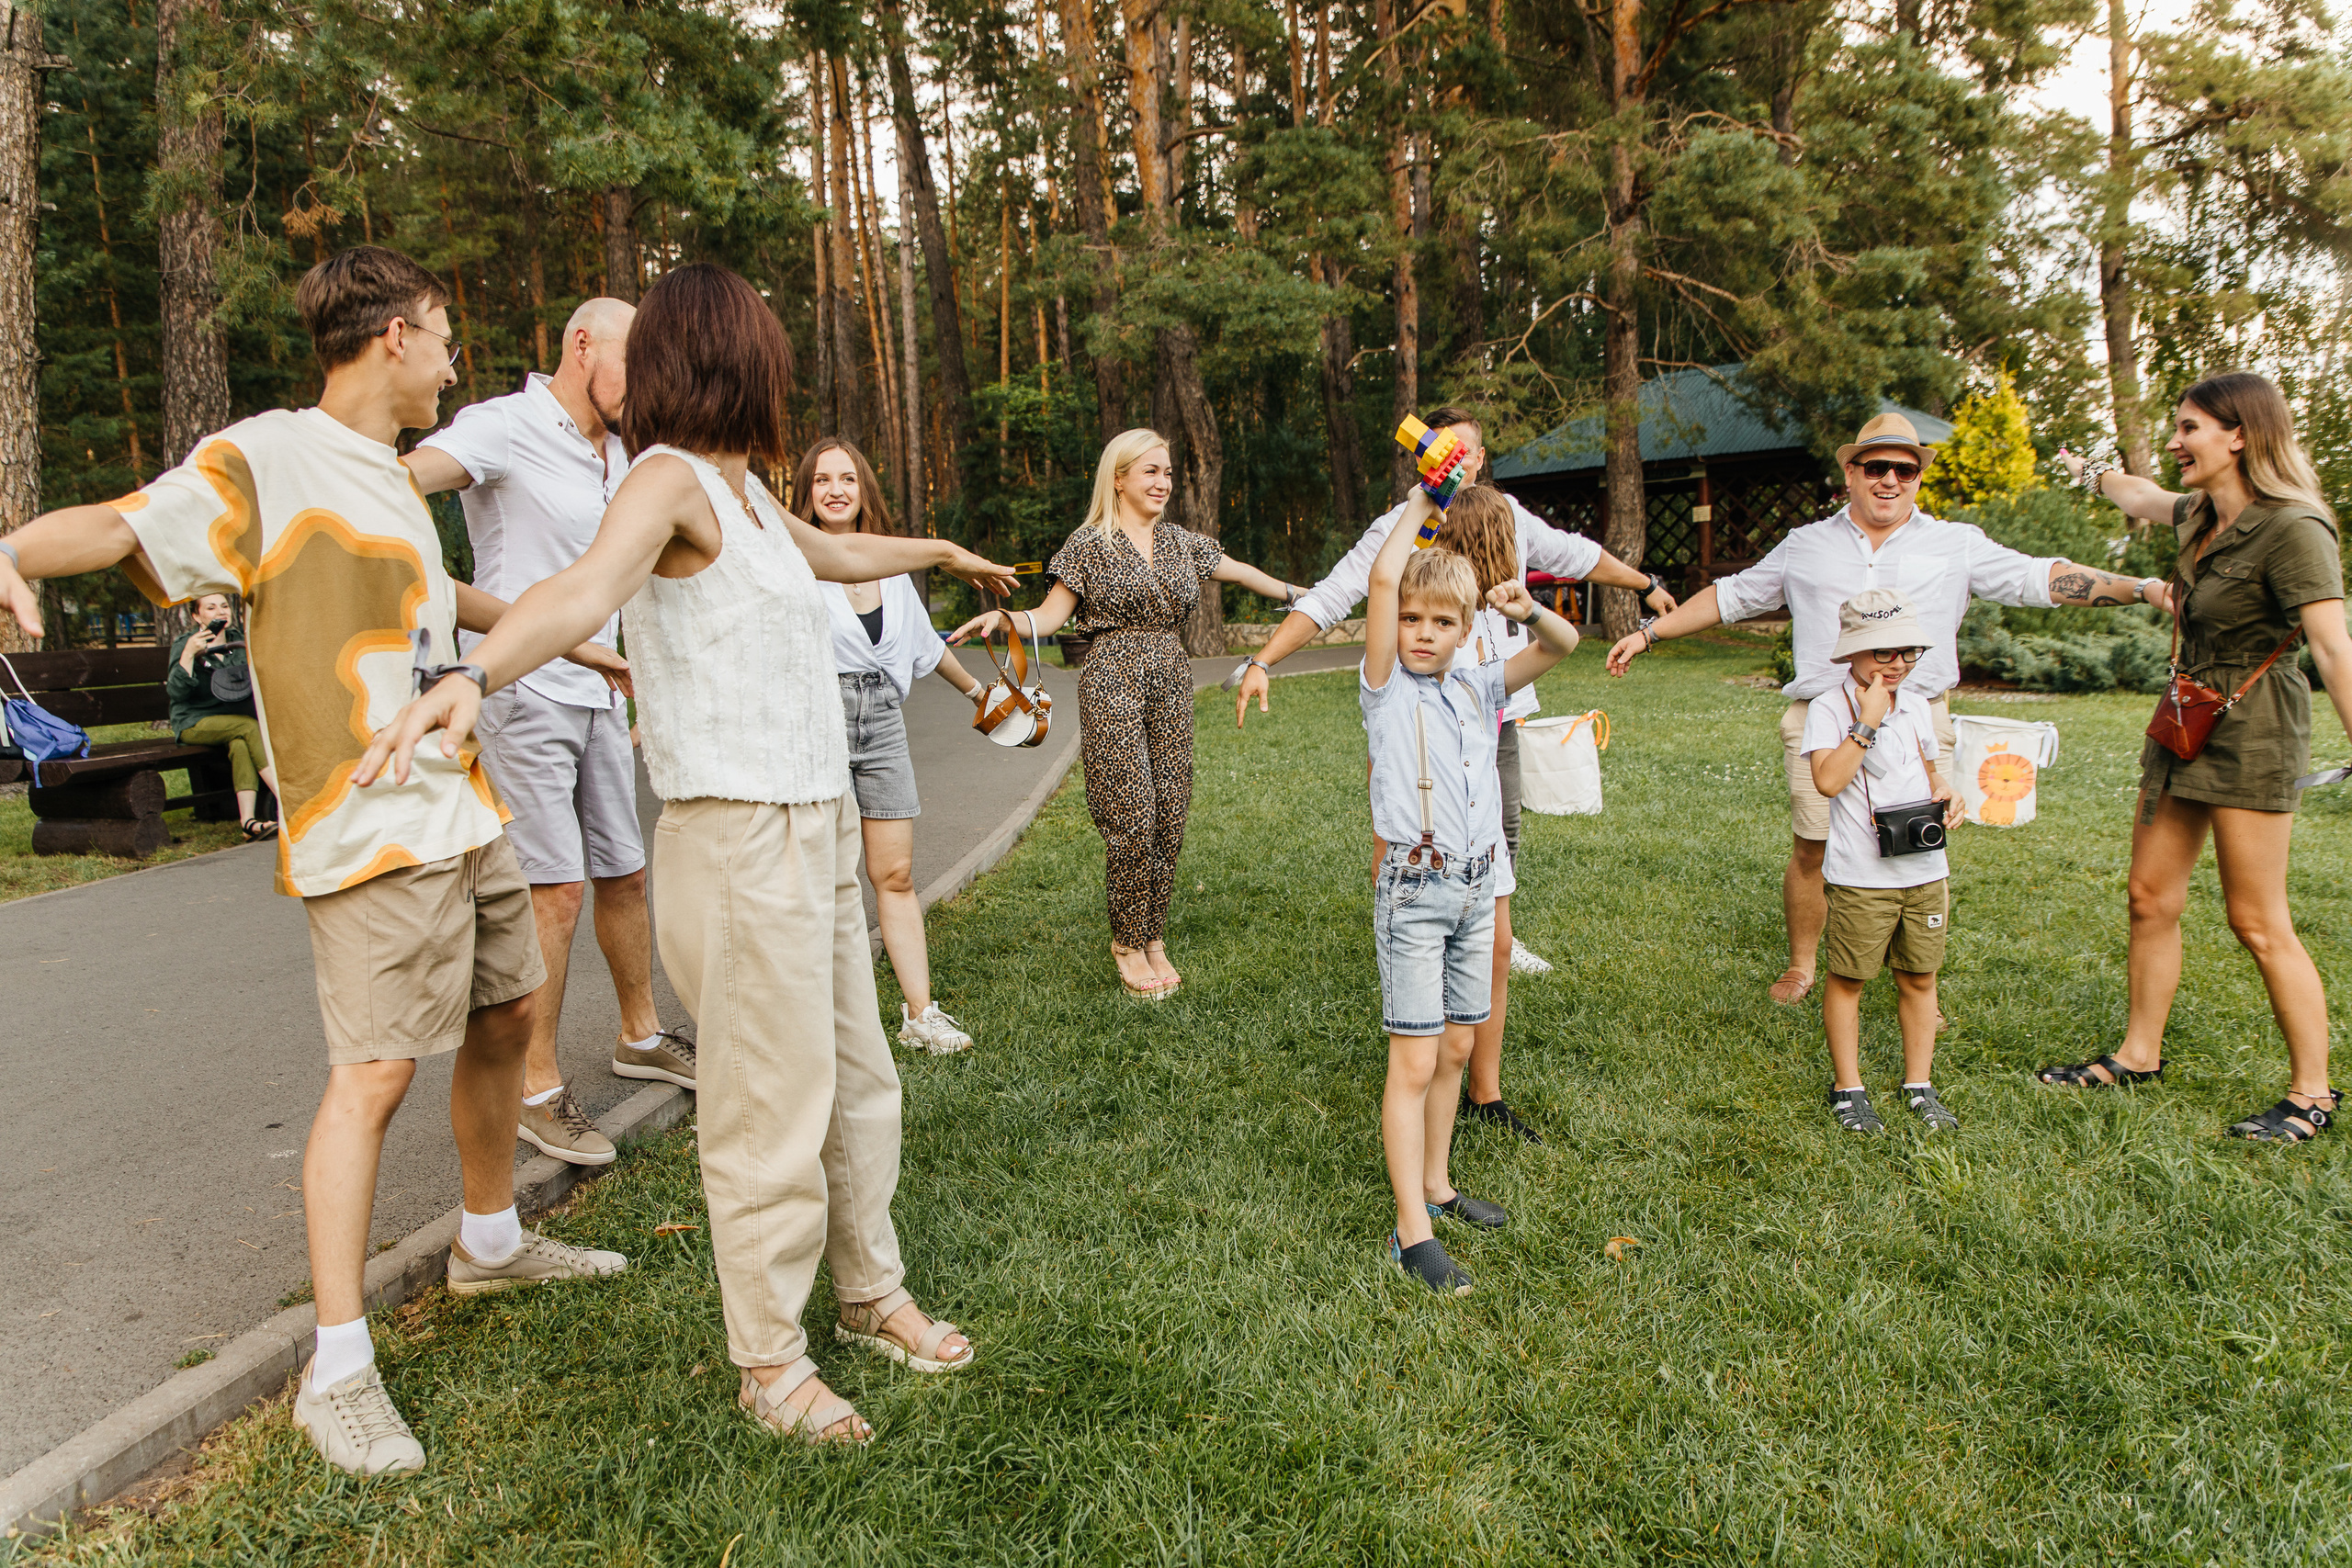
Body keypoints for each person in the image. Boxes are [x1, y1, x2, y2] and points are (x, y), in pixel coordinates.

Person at [358, 263, 1018, 1446]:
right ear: (729, 356)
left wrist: (940, 552)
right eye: (766, 345)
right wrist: (473, 672)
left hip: (811, 827)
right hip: (735, 833)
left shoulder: (749, 494)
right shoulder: (662, 483)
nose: (779, 362)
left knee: (858, 1082)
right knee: (767, 1112)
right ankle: (770, 1362)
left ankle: (868, 1291)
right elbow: (578, 593)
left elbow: (836, 558)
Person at [0, 244, 634, 1476]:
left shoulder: (390, 477)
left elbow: (430, 591)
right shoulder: (265, 456)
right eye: (445, 334)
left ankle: (489, 1240)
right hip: (363, 822)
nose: (455, 359)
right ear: (394, 335)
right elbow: (130, 519)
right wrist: (17, 551)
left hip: (459, 805)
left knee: (509, 1012)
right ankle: (336, 1364)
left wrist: (566, 642)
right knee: (375, 1072)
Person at [1607, 410, 2173, 1006]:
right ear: (1850, 471)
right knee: (1812, 847)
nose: (1889, 480)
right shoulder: (1806, 545)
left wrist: (2139, 587)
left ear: (1917, 478)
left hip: (1918, 719)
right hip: (1825, 719)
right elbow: (1733, 594)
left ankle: (1917, 990)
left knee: (1917, 852)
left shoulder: (1955, 544)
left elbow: (2040, 578)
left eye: (1904, 469)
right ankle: (1802, 966)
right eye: (1875, 466)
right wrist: (1650, 633)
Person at [1235, 406, 1676, 1140]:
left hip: (1490, 718)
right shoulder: (1397, 530)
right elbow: (1339, 595)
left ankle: (1483, 1087)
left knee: (1494, 920)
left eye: (1470, 451)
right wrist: (1261, 658)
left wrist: (1646, 579)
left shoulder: (1507, 514)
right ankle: (1418, 1041)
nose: (1460, 461)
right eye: (1447, 452)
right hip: (1409, 729)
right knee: (1410, 887)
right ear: (1426, 459)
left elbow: (1577, 556)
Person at [405, 297, 695, 1173]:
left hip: (604, 691)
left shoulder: (620, 454)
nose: (642, 385)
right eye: (631, 362)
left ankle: (640, 1034)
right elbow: (402, 479)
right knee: (554, 890)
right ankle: (535, 1088)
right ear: (581, 345)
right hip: (524, 688)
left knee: (623, 872)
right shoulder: (504, 425)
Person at [2037, 372, 2350, 1142]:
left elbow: (2334, 646)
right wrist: (2092, 473)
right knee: (2149, 895)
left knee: (2257, 918)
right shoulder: (2201, 511)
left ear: (2239, 435)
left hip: (2254, 727)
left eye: (2189, 428)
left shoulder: (2295, 528)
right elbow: (2141, 497)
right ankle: (2138, 1055)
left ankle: (2313, 1093)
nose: (2176, 442)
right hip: (2185, 718)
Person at [947, 429, 1304, 998]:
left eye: (1167, 473)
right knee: (1131, 813)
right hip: (1112, 673)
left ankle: (1153, 934)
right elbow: (1049, 615)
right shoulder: (1088, 544)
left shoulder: (1182, 543)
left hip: (1171, 674)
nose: (1163, 483)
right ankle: (1125, 941)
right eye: (1150, 472)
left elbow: (1238, 571)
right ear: (1119, 478)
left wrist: (1302, 595)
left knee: (1170, 811)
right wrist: (1006, 621)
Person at [1359, 486, 1579, 1293]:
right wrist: (1421, 499)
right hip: (1416, 894)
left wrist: (1526, 606)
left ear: (1464, 630)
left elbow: (1562, 643)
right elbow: (1384, 580)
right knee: (1414, 1060)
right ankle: (1410, 1229)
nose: (1422, 633)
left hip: (1476, 892)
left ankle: (1438, 1184)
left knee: (1457, 1045)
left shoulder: (1478, 684)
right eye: (1413, 619)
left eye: (1440, 622)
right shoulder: (1384, 687)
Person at [793, 436, 986, 1055]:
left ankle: (920, 1013)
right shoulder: (792, 561)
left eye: (846, 478)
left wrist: (981, 695)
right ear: (806, 493)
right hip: (815, 719)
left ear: (863, 489)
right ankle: (817, 1026)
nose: (835, 490)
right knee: (819, 880)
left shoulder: (894, 569)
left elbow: (928, 648)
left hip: (883, 720)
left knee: (895, 873)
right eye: (822, 480)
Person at [1801, 591, 1960, 1135]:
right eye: (1882, 653)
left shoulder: (1915, 703)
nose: (1896, 665)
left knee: (1920, 976)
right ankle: (1849, 1087)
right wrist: (1866, 722)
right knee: (1849, 978)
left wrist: (1946, 791)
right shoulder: (1830, 708)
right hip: (1862, 877)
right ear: (1852, 655)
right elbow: (1828, 781)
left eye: (1907, 652)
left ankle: (1920, 1083)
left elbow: (1929, 767)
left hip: (1924, 870)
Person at [167, 590, 279, 839]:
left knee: (240, 744)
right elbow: (176, 693)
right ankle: (288, 801)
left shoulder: (241, 641)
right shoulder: (185, 644)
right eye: (211, 608)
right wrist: (189, 654)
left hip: (233, 722)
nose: (220, 612)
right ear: (197, 616)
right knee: (247, 728)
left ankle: (248, 823)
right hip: (194, 721)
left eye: (224, 606)